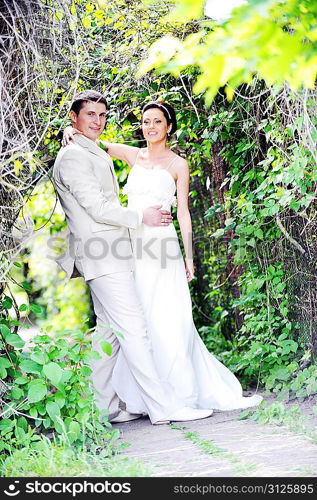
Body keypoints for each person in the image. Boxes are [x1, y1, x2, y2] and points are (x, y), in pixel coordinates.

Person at [63, 98, 263, 414]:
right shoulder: (132, 154)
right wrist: (68, 131)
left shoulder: (177, 164)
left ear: (168, 127)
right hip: (131, 245)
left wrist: (189, 257)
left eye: (157, 121)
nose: (150, 127)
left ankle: (177, 393)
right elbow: (91, 141)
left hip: (162, 246)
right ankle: (139, 398)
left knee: (169, 315)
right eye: (146, 121)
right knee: (137, 317)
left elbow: (183, 214)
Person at [53, 90, 214, 425]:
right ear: (74, 117)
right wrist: (142, 216)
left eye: (102, 115)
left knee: (109, 333)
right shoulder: (72, 157)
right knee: (136, 330)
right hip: (105, 254)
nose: (97, 121)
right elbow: (97, 207)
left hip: (118, 251)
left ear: (169, 126)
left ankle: (103, 407)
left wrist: (187, 254)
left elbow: (100, 152)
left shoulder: (86, 150)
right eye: (89, 115)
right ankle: (163, 408)